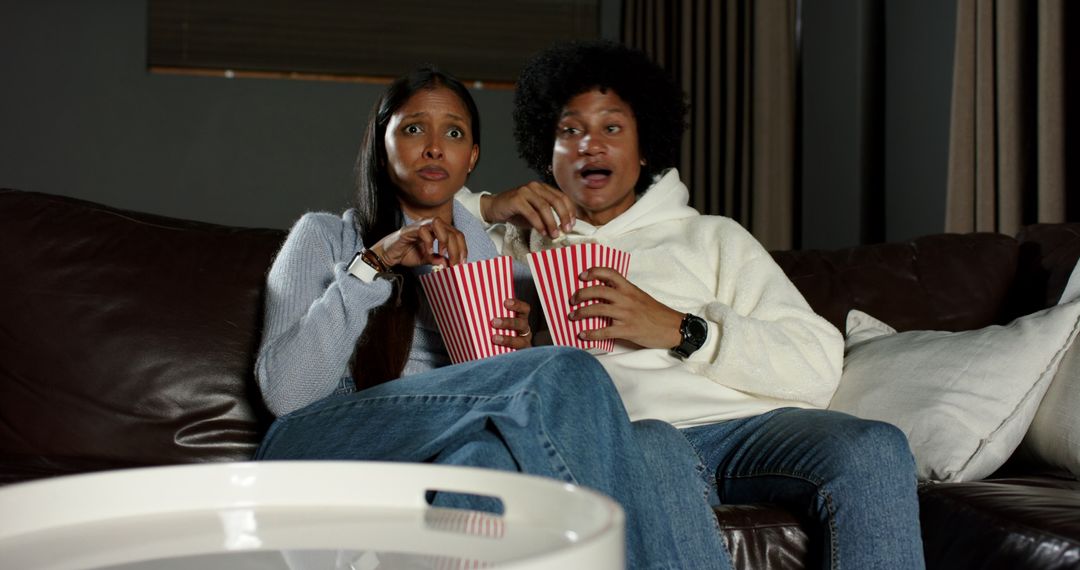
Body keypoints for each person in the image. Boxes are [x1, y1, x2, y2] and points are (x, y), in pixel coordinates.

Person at [458, 40, 926, 569]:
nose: (591, 145)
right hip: (637, 434)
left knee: (875, 446)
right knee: (652, 450)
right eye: (571, 130)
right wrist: (486, 204)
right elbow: (396, 226)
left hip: (752, 428)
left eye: (612, 128)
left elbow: (818, 364)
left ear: (644, 148)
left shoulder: (712, 237)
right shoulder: (509, 245)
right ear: (548, 152)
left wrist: (681, 329)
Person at [253, 67, 733, 569]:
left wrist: (513, 355)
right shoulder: (324, 236)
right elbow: (288, 397)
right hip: (318, 443)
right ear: (381, 145)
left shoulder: (483, 257)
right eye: (414, 128)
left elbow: (485, 399)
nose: (435, 147)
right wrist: (371, 268)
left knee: (588, 447)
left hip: (434, 458)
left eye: (454, 133)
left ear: (472, 159)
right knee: (562, 370)